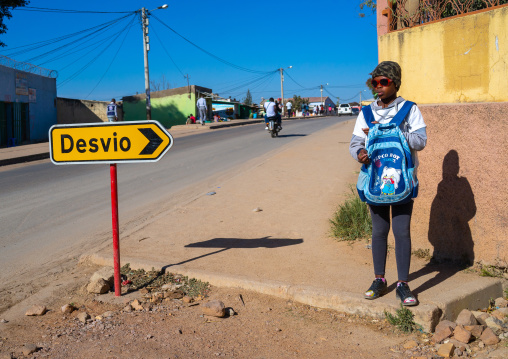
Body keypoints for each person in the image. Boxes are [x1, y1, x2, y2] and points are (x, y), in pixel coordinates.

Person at [348, 61, 427, 306]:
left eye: (384, 82)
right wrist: (360, 153)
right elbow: (354, 144)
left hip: (402, 181)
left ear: (395, 82)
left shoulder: (409, 110)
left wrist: (396, 132)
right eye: (375, 83)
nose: (378, 87)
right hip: (374, 182)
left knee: (401, 232)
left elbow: (421, 141)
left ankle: (403, 284)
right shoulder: (366, 112)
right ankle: (379, 280)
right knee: (379, 231)